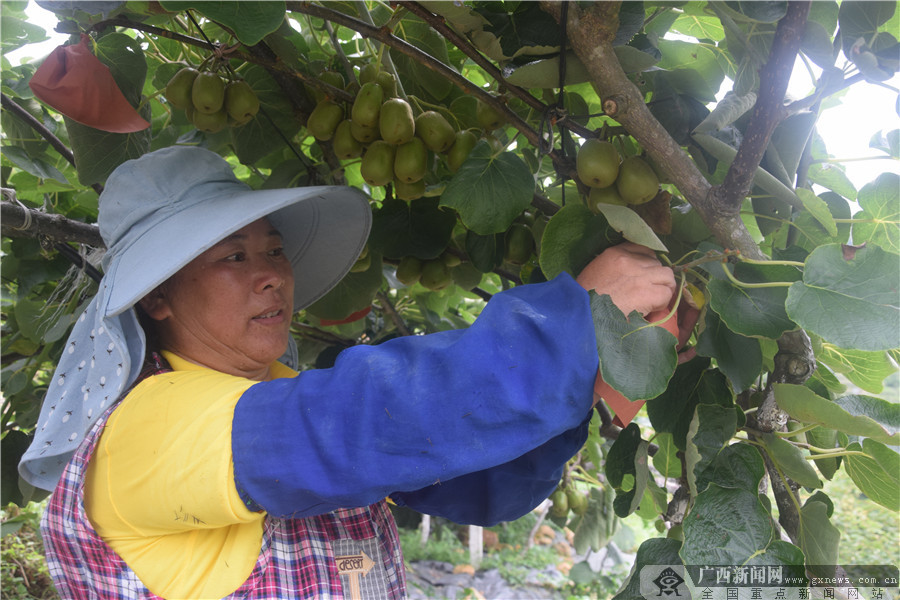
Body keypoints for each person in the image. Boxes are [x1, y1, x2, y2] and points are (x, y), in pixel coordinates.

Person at [19, 145, 682, 600]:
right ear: (159, 296)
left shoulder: (273, 398)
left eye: (274, 250)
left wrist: (590, 376)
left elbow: (479, 490)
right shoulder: (148, 426)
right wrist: (575, 319)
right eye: (233, 257)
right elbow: (366, 422)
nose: (272, 274)